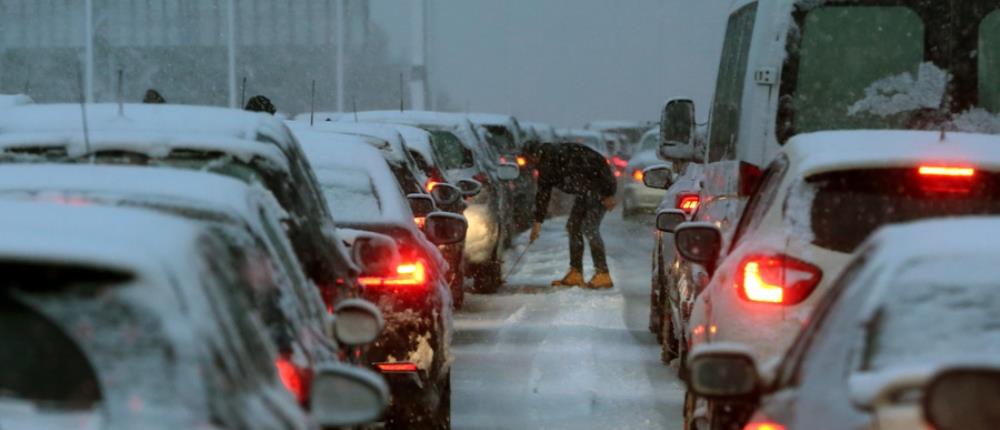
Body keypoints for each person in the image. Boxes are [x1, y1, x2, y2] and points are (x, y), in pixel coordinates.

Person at [525, 141, 617, 289]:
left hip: (598, 190)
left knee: (589, 228)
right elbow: (543, 194)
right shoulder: (546, 166)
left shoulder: (563, 154)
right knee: (573, 227)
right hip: (585, 193)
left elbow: (598, 163)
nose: (530, 164)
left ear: (536, 155)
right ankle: (576, 273)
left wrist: (608, 193)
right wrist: (538, 221)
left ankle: (603, 274)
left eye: (530, 160)